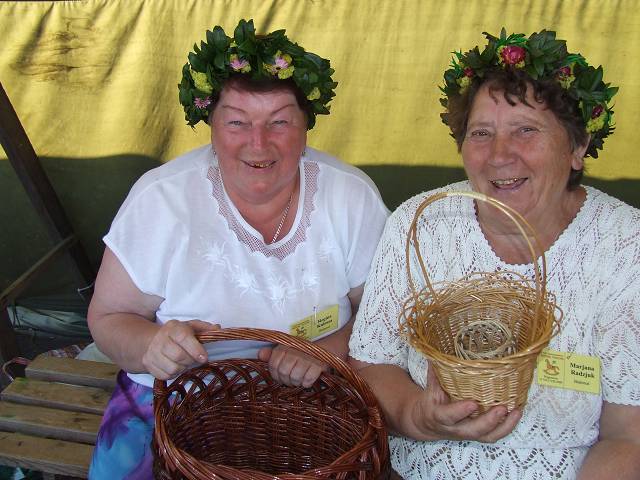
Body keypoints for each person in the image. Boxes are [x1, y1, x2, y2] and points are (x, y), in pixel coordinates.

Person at [87, 19, 388, 479]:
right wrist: (153, 346)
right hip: (175, 403)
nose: (259, 143)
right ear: (210, 124)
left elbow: (384, 312)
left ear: (306, 123)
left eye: (280, 121)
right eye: (237, 122)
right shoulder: (162, 199)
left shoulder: (350, 196)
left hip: (316, 401)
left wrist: (327, 350)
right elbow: (107, 319)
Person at [349, 28, 640, 479]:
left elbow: (629, 435)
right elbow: (372, 363)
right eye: (481, 133)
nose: (500, 156)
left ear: (578, 146)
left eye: (526, 130)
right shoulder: (420, 224)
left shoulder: (625, 245)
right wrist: (417, 416)